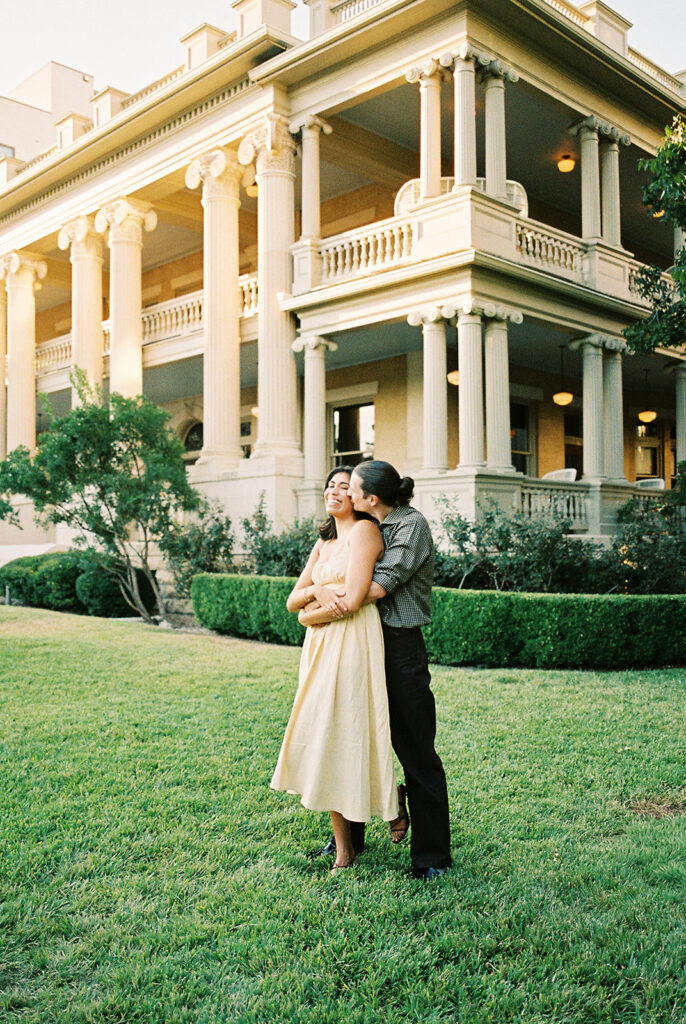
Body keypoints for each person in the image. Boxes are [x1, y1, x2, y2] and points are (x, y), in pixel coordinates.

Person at [310, 460, 452, 880]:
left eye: (350, 488)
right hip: (355, 639)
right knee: (348, 738)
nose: (344, 494)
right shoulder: (360, 524)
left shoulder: (410, 526)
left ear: (372, 498)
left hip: (398, 646)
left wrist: (320, 596)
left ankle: (431, 858)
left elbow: (373, 588)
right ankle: (346, 841)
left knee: (416, 749)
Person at [270, 466, 399, 875]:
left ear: (360, 498)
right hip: (321, 647)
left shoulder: (364, 533)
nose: (334, 491)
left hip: (352, 640)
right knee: (325, 736)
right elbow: (293, 599)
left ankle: (381, 813)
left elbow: (356, 596)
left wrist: (310, 617)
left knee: (348, 732)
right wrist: (317, 592)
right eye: (330, 485)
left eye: (345, 486)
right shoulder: (324, 542)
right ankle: (345, 845)